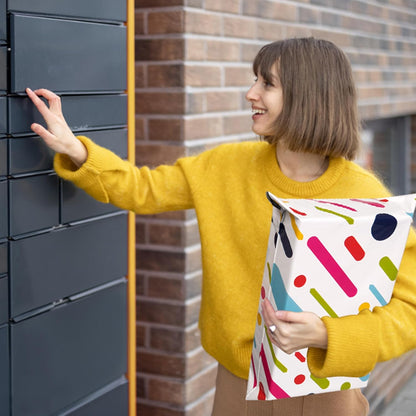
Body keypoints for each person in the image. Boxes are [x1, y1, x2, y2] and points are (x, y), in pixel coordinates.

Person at [26, 37, 416, 416]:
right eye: (254, 80)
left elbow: (410, 310)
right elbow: (142, 189)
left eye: (267, 83)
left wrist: (327, 336)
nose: (251, 93)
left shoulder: (366, 199)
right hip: (237, 387)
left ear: (308, 96)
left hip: (327, 393)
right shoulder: (225, 166)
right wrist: (77, 149)